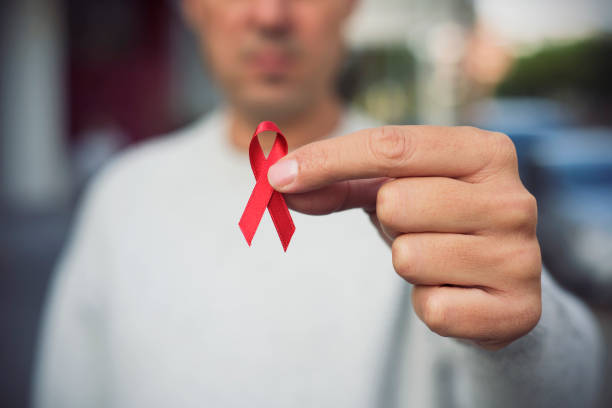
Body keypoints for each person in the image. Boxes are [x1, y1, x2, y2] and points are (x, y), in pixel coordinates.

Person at [33, 1, 602, 407]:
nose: (271, 14)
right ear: (192, 8)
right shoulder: (123, 196)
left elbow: (571, 387)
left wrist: (522, 333)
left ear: (350, 7)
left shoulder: (433, 190)